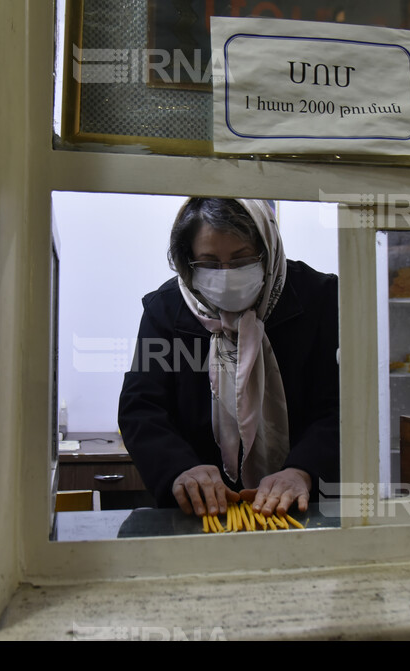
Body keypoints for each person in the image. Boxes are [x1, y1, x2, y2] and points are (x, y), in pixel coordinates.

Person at [118, 197, 339, 521]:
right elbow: (143, 406)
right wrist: (180, 469)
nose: (226, 275)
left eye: (241, 260)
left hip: (302, 505)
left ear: (267, 252)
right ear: (187, 261)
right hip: (200, 510)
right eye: (208, 263)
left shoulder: (317, 298)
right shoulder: (167, 311)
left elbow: (340, 404)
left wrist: (304, 469)